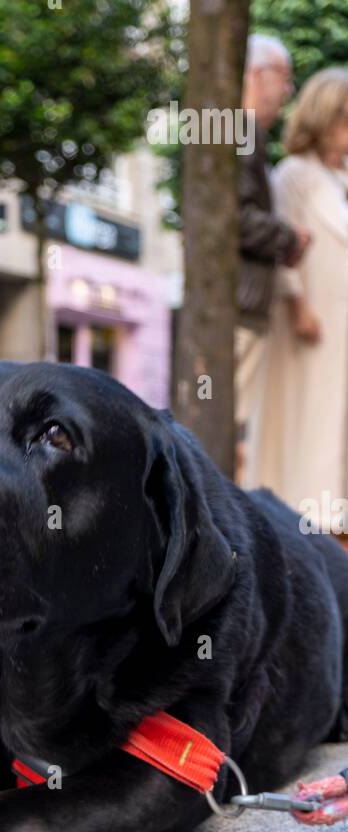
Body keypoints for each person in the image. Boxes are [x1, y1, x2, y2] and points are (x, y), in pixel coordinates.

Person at [249, 68, 348, 519]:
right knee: (306, 415)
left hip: (339, 322)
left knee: (334, 413)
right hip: (310, 320)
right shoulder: (293, 174)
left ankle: (332, 508)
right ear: (323, 119)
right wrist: (300, 306)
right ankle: (301, 509)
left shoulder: (339, 179)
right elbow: (286, 248)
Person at [235, 35, 310, 466]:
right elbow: (236, 218)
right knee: (234, 422)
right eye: (284, 77)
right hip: (241, 301)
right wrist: (290, 237)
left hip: (242, 299)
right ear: (257, 75)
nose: (286, 91)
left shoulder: (235, 131)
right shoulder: (241, 131)